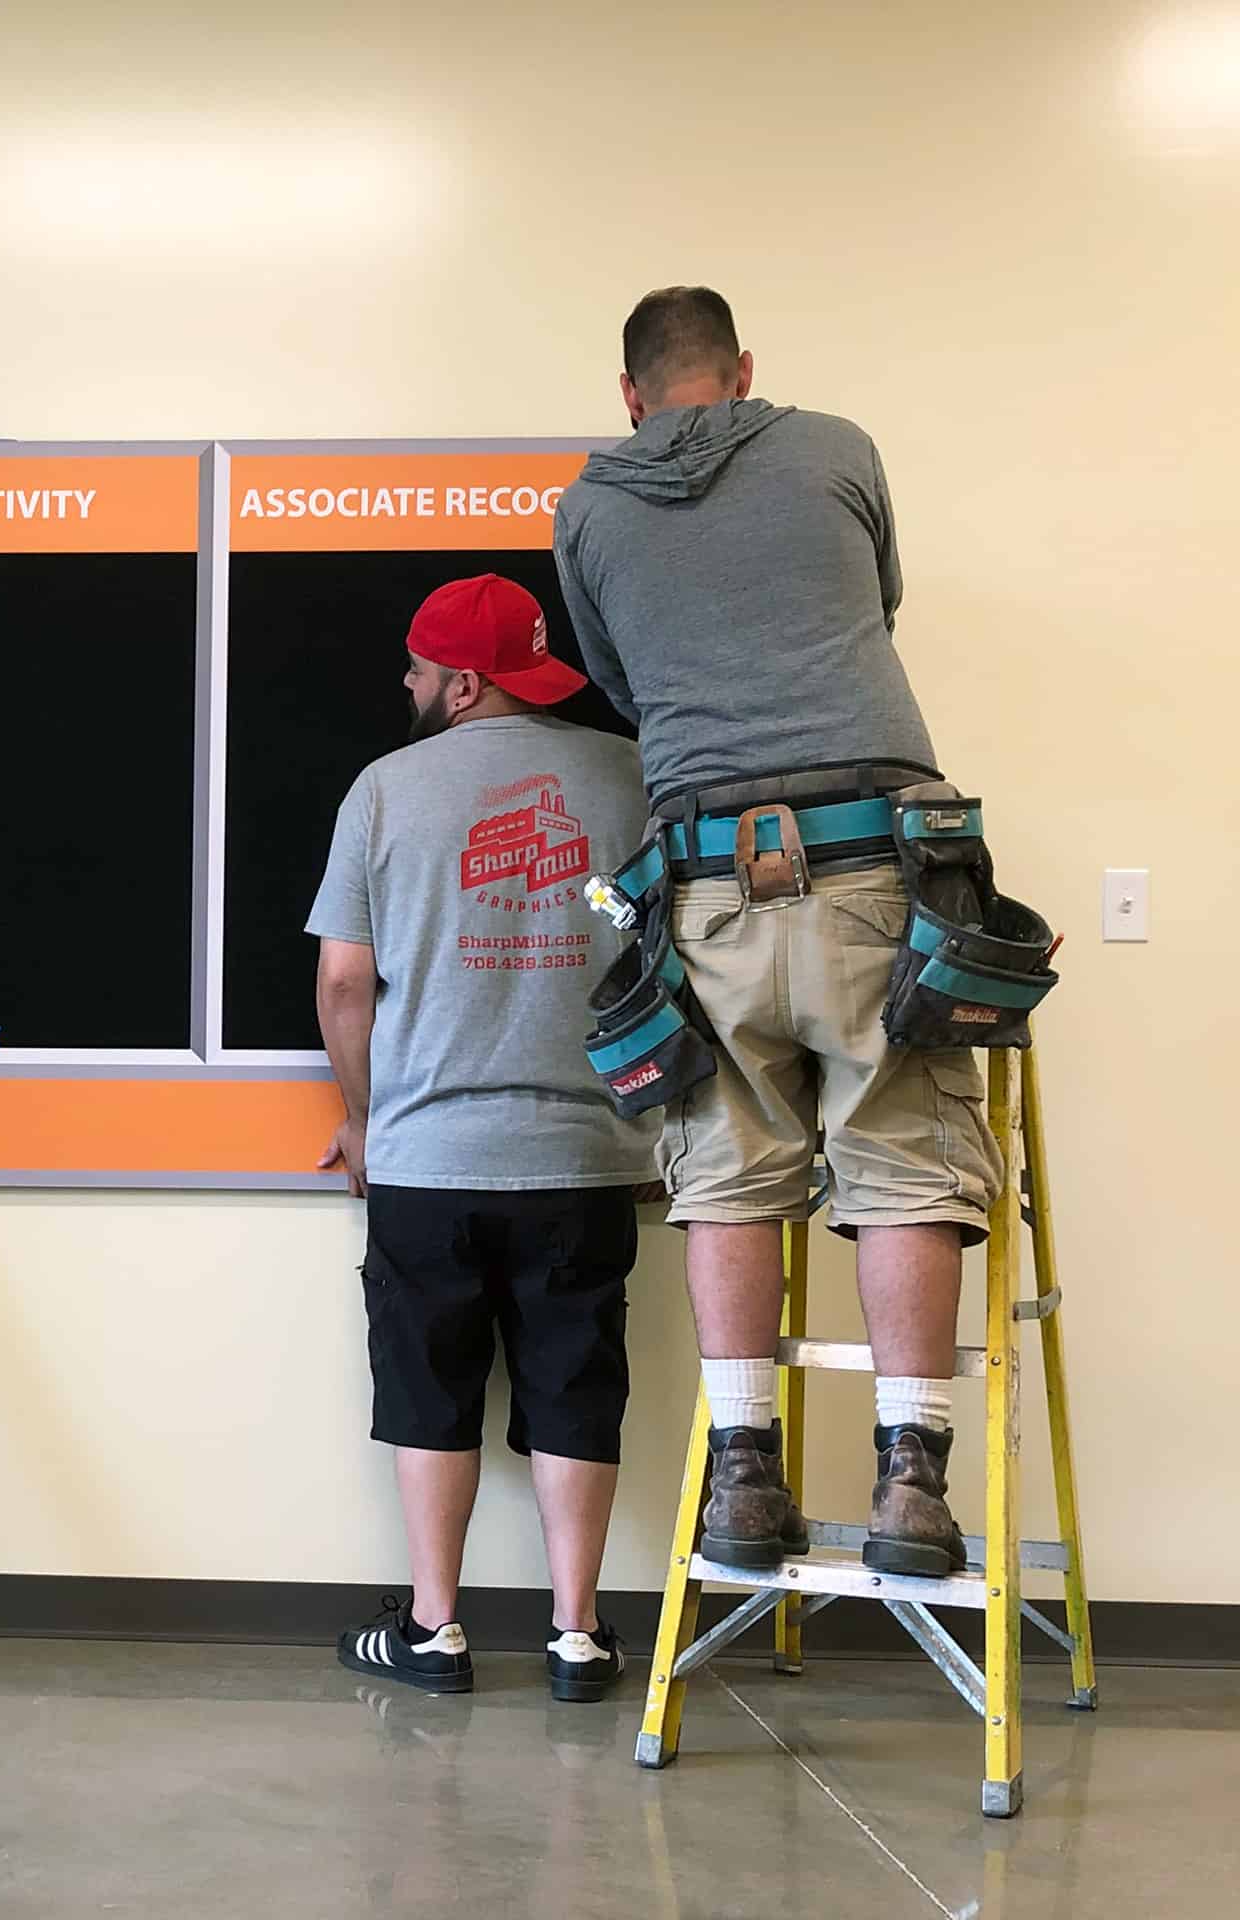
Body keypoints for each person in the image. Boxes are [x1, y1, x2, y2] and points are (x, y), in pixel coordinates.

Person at [551, 287, 996, 1578]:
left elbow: (624, 684)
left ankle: (745, 1480)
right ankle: (913, 1486)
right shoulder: (836, 446)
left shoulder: (586, 506)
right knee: (904, 1156)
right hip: (875, 854)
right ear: (742, 372)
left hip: (704, 872)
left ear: (629, 395)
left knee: (727, 1164)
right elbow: (881, 602)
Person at [309, 574, 654, 1702]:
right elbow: (661, 955)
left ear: (462, 683)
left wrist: (361, 1123)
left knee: (427, 1390)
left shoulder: (383, 791)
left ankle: (434, 1631)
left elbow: (346, 980)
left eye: (416, 667)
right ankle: (577, 1638)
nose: (405, 683)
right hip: (587, 1158)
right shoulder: (628, 776)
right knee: (574, 1387)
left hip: (424, 1160)